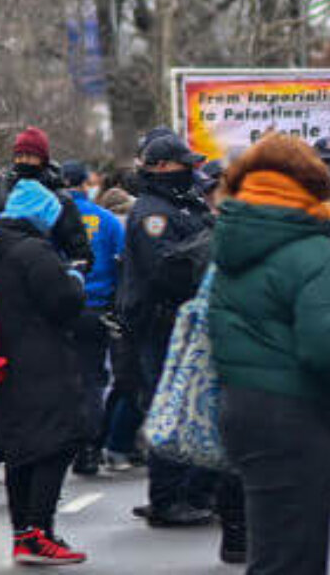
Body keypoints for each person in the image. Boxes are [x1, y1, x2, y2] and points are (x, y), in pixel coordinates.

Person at [209, 137, 330, 575]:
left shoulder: (235, 245)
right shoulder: (313, 252)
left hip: (243, 406)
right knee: (295, 556)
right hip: (296, 414)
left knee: (273, 549)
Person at [0, 179, 91, 566]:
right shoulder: (34, 251)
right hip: (43, 361)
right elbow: (63, 303)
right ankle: (39, 531)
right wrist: (75, 279)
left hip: (4, 361)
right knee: (57, 442)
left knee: (20, 450)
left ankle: (23, 532)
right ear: (42, 214)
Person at [120, 133, 218, 528]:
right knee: (171, 407)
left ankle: (191, 491)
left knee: (189, 404)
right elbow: (164, 269)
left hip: (185, 322)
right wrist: (205, 247)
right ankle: (166, 498)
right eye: (184, 164)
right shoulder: (152, 214)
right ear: (160, 168)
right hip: (162, 323)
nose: (191, 171)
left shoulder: (181, 204)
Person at [0, 129, 91, 269]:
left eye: (29, 156)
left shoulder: (60, 199)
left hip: (40, 279)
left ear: (42, 159)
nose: (23, 161)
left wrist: (60, 275)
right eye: (19, 156)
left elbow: (80, 253)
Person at [64, 162, 122, 479]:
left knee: (63, 379)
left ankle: (68, 443)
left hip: (60, 309)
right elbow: (122, 261)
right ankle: (90, 448)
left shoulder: (51, 219)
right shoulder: (107, 220)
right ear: (86, 183)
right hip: (97, 308)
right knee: (92, 379)